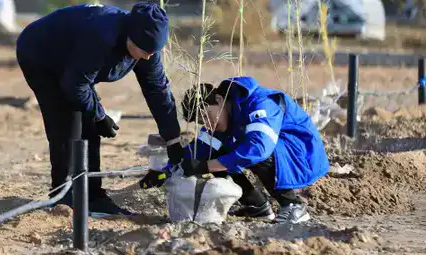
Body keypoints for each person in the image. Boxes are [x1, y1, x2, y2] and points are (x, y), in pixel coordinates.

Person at [16, 2, 184, 218]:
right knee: (66, 122)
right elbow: (74, 85)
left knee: (90, 124)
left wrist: (172, 139)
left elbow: (158, 91)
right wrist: (100, 116)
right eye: (145, 51)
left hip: (76, 65)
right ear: (131, 37)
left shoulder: (147, 48)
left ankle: (93, 196)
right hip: (41, 53)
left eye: (154, 52)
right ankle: (64, 195)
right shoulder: (102, 35)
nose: (149, 57)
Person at [140, 77, 328, 225]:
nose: (208, 125)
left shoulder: (260, 103)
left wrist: (206, 166)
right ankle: (257, 206)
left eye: (207, 115)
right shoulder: (222, 119)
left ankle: (294, 206)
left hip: (302, 154)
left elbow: (259, 148)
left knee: (251, 150)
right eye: (202, 122)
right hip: (281, 152)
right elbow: (196, 152)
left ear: (219, 100)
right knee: (214, 153)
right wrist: (163, 173)